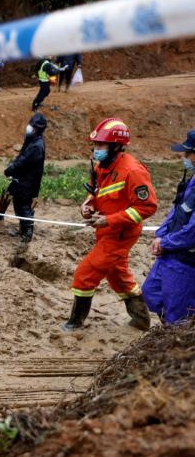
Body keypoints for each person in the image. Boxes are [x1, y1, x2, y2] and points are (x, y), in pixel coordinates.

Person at [63, 118, 157, 332]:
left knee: (85, 274)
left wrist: (110, 219)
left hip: (120, 234)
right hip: (105, 230)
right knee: (118, 276)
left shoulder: (133, 171)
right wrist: (86, 205)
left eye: (101, 145)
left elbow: (147, 207)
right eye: (95, 145)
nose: (97, 150)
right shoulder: (102, 167)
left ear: (116, 146)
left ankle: (75, 322)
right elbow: (97, 192)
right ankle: (141, 319)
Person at [142, 129, 195, 324]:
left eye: (188, 152)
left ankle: (177, 343)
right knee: (151, 293)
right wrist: (161, 235)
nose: (184, 156)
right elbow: (177, 208)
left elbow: (193, 231)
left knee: (178, 313)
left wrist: (167, 243)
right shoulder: (192, 179)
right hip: (171, 251)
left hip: (186, 260)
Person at [4, 113, 47, 243]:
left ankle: (27, 233)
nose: (29, 127)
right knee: (19, 205)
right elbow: (22, 155)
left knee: (24, 206)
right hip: (22, 179)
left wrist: (11, 169)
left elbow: (24, 161)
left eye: (32, 126)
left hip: (27, 182)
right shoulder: (32, 139)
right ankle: (22, 230)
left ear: (37, 128)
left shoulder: (37, 146)